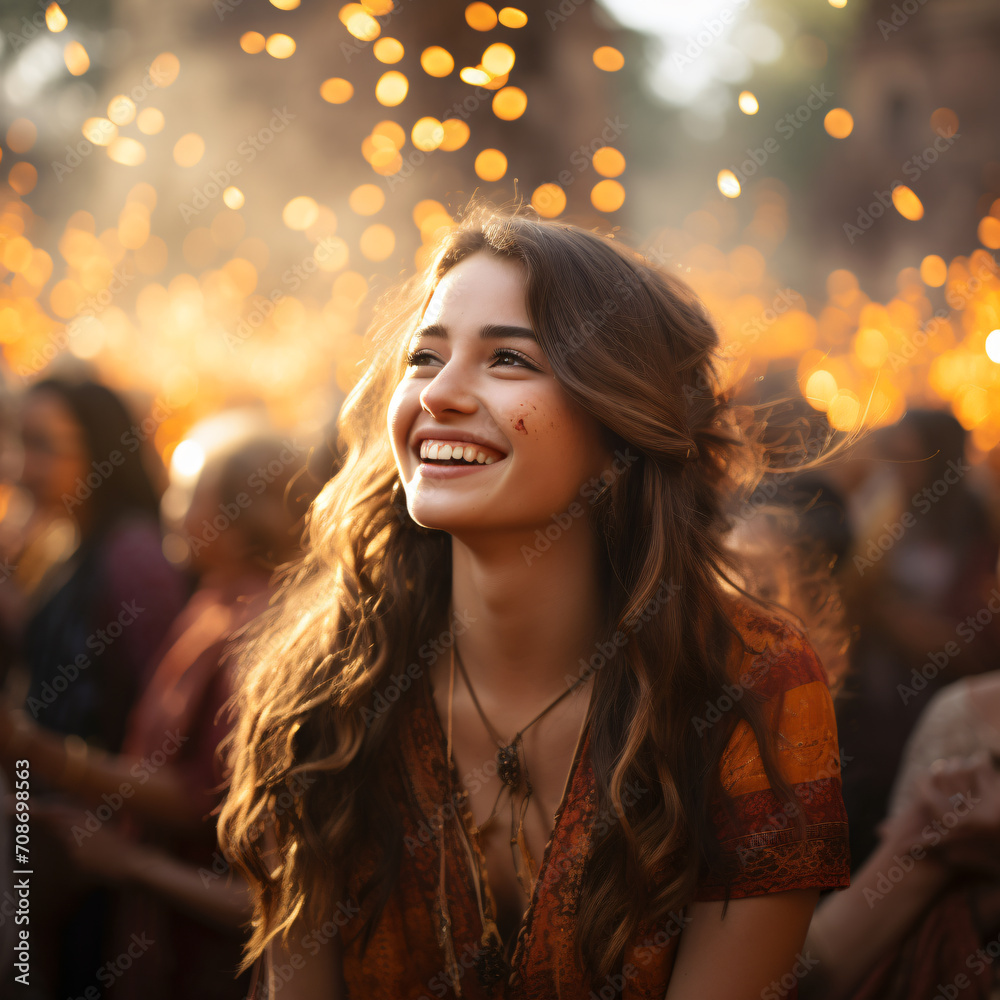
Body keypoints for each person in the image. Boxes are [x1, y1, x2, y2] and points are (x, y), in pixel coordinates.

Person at [218, 206, 853, 998]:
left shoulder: (749, 686)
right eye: (424, 356)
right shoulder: (323, 690)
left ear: (619, 416)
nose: (440, 395)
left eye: (508, 359)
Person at [0, 420, 318, 1000]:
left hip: (209, 949)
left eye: (186, 493)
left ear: (245, 513)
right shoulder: (215, 600)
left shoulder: (260, 630)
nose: (167, 509)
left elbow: (203, 801)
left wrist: (36, 754)